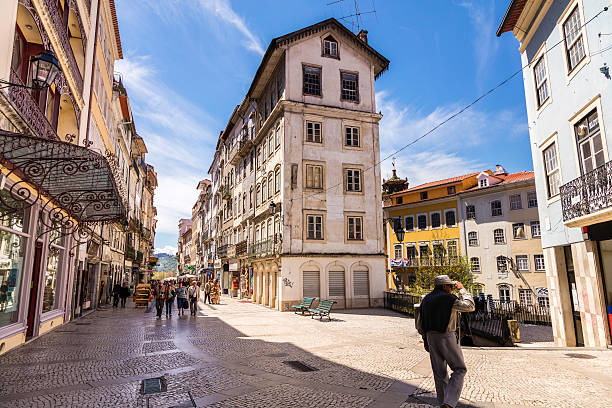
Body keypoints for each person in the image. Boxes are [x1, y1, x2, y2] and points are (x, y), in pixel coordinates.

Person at [416, 275, 475, 408]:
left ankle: (443, 403)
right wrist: (462, 290)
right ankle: (448, 403)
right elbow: (470, 306)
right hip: (446, 335)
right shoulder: (449, 299)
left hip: (431, 337)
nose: (451, 289)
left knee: (439, 372)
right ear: (444, 286)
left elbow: (419, 323)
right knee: (459, 369)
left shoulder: (426, 299)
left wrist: (425, 339)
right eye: (450, 286)